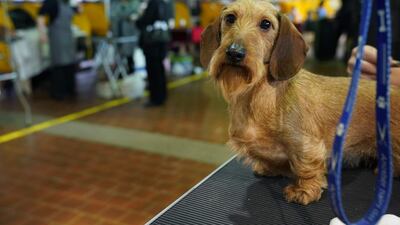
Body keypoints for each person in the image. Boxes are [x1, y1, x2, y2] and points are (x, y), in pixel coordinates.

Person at [37, 0, 77, 100]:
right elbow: (40, 15)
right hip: (57, 37)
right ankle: (59, 92)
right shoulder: (52, 2)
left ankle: (69, 90)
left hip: (68, 36)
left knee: (70, 63)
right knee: (59, 63)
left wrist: (77, 9)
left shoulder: (67, 3)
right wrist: (42, 33)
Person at [136, 0, 173, 107]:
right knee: (159, 69)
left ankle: (155, 98)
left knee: (153, 70)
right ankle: (162, 95)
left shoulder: (153, 3)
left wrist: (137, 19)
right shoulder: (166, 3)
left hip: (152, 42)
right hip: (162, 40)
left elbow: (144, 21)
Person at [110, 0, 140, 74]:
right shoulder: (115, 4)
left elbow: (136, 14)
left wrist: (126, 16)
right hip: (118, 33)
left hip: (130, 33)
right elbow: (113, 15)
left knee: (130, 53)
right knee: (119, 53)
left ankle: (131, 68)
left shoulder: (134, 3)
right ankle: (119, 71)